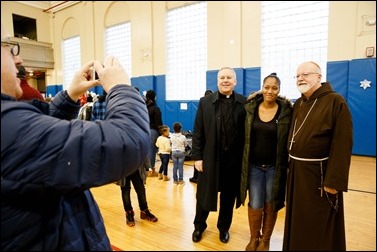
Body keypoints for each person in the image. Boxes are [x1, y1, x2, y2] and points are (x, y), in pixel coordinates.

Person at [1, 23, 150, 251]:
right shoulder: (8, 129)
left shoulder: (12, 129)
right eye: (9, 48)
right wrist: (121, 88)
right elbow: (128, 141)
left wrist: (70, 96)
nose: (18, 60)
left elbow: (38, 137)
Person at [282, 61, 353, 251]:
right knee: (298, 219)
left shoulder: (335, 102)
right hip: (297, 172)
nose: (300, 78)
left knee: (317, 223)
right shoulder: (299, 102)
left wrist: (334, 181)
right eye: (297, 76)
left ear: (319, 77)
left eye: (305, 74)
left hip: (319, 176)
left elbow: (342, 144)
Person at [191, 67, 246, 244]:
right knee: (204, 195)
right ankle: (199, 226)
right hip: (210, 159)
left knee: (228, 197)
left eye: (229, 77)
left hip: (233, 161)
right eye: (222, 77)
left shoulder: (244, 103)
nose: (225, 80)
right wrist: (197, 157)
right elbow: (198, 131)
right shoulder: (205, 102)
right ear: (217, 81)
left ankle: (224, 228)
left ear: (235, 81)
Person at [240, 73, 293, 251]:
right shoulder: (250, 108)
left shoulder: (286, 111)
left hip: (274, 168)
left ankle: (266, 240)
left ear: (279, 90)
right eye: (267, 87)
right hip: (254, 166)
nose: (270, 91)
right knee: (255, 203)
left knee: (271, 203)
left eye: (274, 88)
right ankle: (254, 237)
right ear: (262, 88)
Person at [117, 156, 158, 227]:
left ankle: (144, 211)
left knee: (141, 190)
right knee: (125, 192)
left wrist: (148, 166)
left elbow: (144, 152)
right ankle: (129, 212)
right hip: (123, 171)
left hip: (137, 169)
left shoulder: (138, 144)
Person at [189, 89, 212, 183]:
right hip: (206, 140)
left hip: (204, 140)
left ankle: (196, 177)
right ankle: (197, 177)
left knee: (199, 160)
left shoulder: (204, 105)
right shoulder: (204, 105)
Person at [145, 90, 163, 177]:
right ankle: (150, 170)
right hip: (153, 131)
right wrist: (162, 133)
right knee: (152, 151)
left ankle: (146, 169)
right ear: (154, 97)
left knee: (145, 151)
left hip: (144, 131)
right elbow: (158, 123)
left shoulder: (144, 107)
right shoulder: (155, 109)